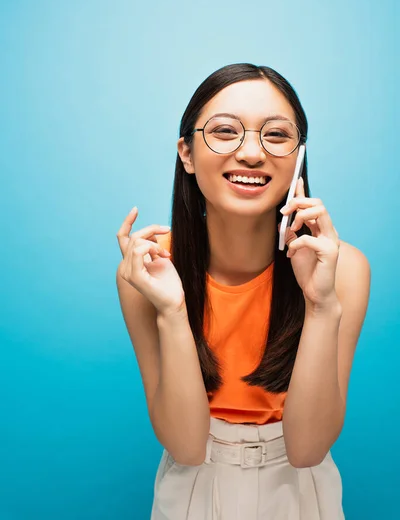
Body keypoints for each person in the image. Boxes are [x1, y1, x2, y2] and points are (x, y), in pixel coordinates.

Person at [116, 63, 371, 519]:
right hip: (191, 490)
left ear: (299, 158)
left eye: (275, 135)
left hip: (301, 490)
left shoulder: (343, 269)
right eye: (225, 132)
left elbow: (308, 449)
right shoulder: (149, 273)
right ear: (187, 154)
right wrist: (172, 311)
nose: (251, 153)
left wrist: (321, 306)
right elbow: (187, 447)